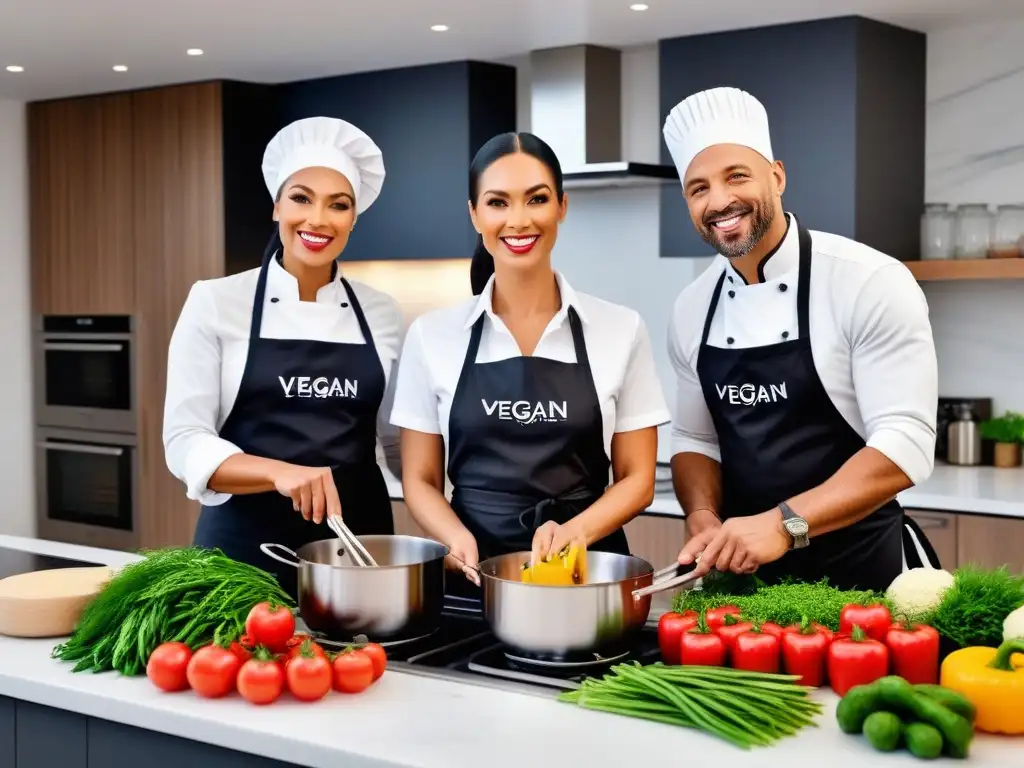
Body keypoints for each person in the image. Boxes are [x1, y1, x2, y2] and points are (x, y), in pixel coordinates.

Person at [662, 87, 941, 593]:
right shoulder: (690, 307)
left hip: (864, 581)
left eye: (737, 176)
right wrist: (702, 514)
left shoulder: (868, 281)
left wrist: (783, 524)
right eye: (698, 188)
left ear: (778, 176)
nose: (719, 200)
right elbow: (693, 438)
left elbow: (906, 442)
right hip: (743, 586)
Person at [389, 132, 671, 590]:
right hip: (473, 576)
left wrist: (576, 532)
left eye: (536, 199)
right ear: (474, 214)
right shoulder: (432, 335)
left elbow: (638, 479)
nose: (518, 221)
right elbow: (419, 479)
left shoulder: (620, 329)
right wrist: (453, 537)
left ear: (562, 205)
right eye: (498, 203)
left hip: (585, 577)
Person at [163, 116, 403, 597]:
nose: (318, 219)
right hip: (241, 555)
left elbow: (396, 443)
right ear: (276, 206)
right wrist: (278, 471)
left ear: (354, 219)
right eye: (301, 198)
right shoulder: (216, 301)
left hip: (356, 552)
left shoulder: (382, 312)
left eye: (339, 205)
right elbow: (184, 440)